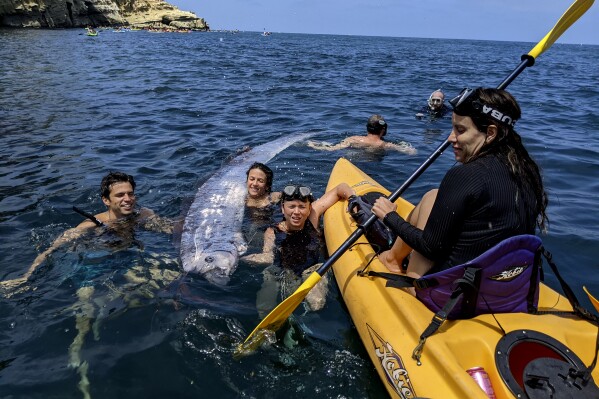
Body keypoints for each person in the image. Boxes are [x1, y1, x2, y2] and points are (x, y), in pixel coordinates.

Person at [372, 87, 548, 295]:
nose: (450, 138)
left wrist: (390, 217)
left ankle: (407, 277)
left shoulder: (465, 175)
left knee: (428, 227)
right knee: (432, 196)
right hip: (508, 290)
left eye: (460, 130)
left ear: (490, 133)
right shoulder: (527, 171)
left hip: (454, 297)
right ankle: (394, 258)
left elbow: (431, 247)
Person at [0, 171, 173, 289]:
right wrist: (26, 276)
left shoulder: (143, 214)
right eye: (120, 195)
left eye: (130, 193)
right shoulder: (90, 225)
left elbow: (168, 228)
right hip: (103, 261)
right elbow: (52, 248)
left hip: (135, 253)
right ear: (106, 200)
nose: (128, 199)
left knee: (171, 273)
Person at [242, 182, 355, 316]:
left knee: (316, 303)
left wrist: (353, 199)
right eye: (292, 207)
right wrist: (241, 259)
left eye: (302, 207)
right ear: (283, 209)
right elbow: (267, 255)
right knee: (265, 304)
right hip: (282, 271)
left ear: (309, 209)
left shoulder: (312, 217)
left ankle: (305, 319)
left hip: (313, 270)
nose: (297, 212)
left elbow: (339, 188)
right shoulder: (272, 231)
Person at [307, 114, 417, 155]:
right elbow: (412, 152)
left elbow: (332, 149)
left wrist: (313, 145)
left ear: (367, 128)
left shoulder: (353, 139)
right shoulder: (385, 145)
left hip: (354, 156)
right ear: (383, 130)